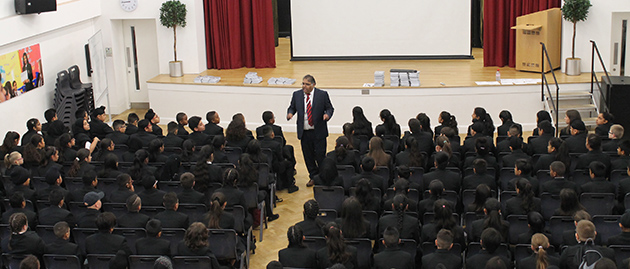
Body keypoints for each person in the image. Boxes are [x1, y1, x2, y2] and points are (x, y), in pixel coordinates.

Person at [287, 74, 334, 186]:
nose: (304, 86)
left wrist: (327, 115)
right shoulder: (297, 95)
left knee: (320, 156)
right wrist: (290, 113)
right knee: (308, 157)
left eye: (307, 84)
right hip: (304, 132)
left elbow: (329, 108)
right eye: (303, 83)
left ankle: (322, 177)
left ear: (313, 84)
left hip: (318, 132)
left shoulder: (322, 95)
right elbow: (292, 107)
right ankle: (313, 176)